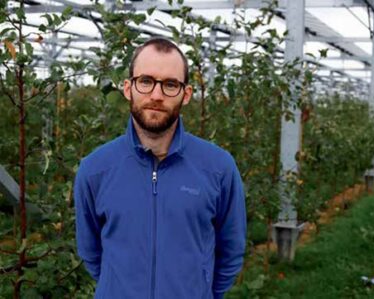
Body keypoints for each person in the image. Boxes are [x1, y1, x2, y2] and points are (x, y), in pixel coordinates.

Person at [74, 37, 247, 299]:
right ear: (128, 88)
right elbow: (90, 252)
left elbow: (231, 250)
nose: (156, 95)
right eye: (146, 81)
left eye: (170, 84)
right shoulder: (96, 169)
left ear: (186, 94)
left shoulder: (218, 168)